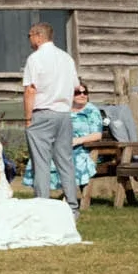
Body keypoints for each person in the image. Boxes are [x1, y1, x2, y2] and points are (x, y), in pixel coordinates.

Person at [21, 23, 82, 213]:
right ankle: (72, 206)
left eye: (29, 35)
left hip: (43, 112)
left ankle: (43, 207)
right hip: (64, 113)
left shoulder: (35, 58)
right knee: (65, 161)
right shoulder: (66, 58)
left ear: (38, 36)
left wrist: (28, 118)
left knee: (41, 162)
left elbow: (31, 89)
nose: (29, 39)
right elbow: (75, 86)